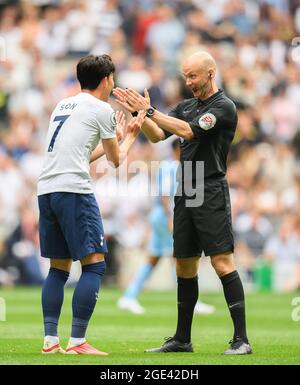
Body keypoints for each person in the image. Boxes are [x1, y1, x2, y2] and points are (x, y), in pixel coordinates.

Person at [113, 51, 252, 355]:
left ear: (210, 74)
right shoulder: (186, 106)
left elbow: (189, 131)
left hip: (211, 188)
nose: (188, 81)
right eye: (186, 76)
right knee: (184, 264)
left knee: (221, 261)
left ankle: (241, 339)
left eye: (193, 76)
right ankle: (182, 339)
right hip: (185, 189)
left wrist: (149, 110)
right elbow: (157, 135)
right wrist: (141, 117)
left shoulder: (223, 107)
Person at [37, 54, 145, 356]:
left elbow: (80, 154)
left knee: (58, 269)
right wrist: (130, 137)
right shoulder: (101, 109)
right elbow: (116, 160)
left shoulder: (63, 104)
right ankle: (77, 342)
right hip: (74, 191)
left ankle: (50, 340)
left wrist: (116, 137)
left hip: (47, 189)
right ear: (107, 79)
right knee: (95, 265)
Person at [117, 139, 215, 315]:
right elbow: (164, 194)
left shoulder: (169, 166)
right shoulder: (173, 167)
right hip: (167, 218)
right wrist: (171, 218)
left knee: (154, 257)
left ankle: (129, 296)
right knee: (179, 258)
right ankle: (191, 300)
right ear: (179, 149)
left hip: (160, 217)